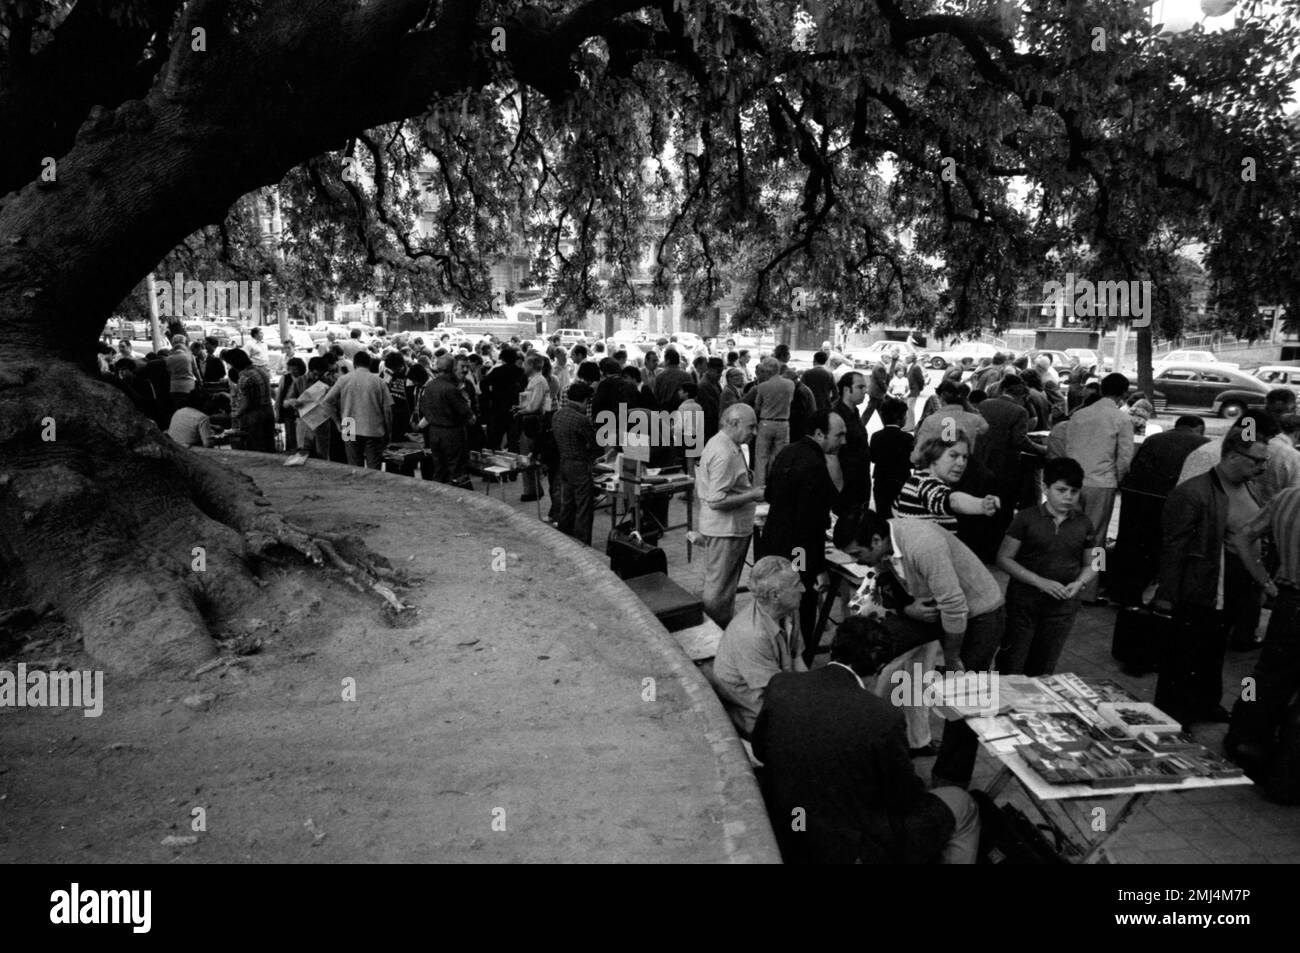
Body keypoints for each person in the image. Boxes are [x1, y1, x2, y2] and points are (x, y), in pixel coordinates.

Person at [752, 615, 981, 864]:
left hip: (790, 824)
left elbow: (761, 749)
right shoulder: (883, 717)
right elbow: (903, 798)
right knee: (962, 803)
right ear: (880, 666)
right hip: (847, 846)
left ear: (833, 649)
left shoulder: (782, 684)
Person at [846, 509, 1005, 788]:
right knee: (870, 644)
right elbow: (884, 576)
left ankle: (949, 780)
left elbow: (955, 608)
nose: (856, 562)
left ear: (874, 540)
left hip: (978, 612)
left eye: (857, 554)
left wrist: (952, 657)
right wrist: (907, 609)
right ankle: (861, 746)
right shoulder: (885, 539)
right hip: (931, 607)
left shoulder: (922, 544)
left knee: (965, 697)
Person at [1153, 426, 1272, 728]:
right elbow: (1173, 548)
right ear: (1233, 456)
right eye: (1257, 461)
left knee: (1214, 650)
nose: (1262, 467)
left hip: (1235, 586)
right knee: (1185, 654)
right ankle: (1173, 717)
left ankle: (1206, 702)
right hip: (1202, 588)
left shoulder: (1248, 486)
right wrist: (1166, 596)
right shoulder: (1193, 493)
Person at [996, 458, 1099, 676]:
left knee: (1044, 669)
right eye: (1061, 490)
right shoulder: (1025, 519)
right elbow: (1004, 558)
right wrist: (1039, 581)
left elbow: (1096, 562)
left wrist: (1080, 583)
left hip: (1062, 610)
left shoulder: (1085, 523)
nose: (1068, 497)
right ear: (1045, 488)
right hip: (1023, 606)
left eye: (1074, 491)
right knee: (1011, 664)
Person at [761, 410, 847, 664]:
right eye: (839, 435)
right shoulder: (815, 464)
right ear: (819, 434)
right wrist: (817, 568)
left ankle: (777, 655)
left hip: (774, 541)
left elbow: (770, 494)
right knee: (801, 599)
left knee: (776, 602)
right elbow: (813, 520)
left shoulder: (789, 451)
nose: (843, 441)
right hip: (799, 549)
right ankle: (800, 659)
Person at [1226, 484, 1300, 773]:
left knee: (1263, 676)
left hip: (1286, 602)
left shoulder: (1288, 496)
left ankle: (1240, 740)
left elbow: (1242, 537)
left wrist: (1264, 581)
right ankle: (1285, 771)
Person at [1047, 372, 1134, 601]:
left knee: (1067, 531)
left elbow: (1069, 447)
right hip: (1102, 483)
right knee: (1097, 538)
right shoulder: (1121, 419)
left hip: (1073, 481)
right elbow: (1124, 457)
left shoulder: (1079, 415)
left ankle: (1059, 579)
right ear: (1124, 393)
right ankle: (1090, 589)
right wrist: (1119, 480)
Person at [1110, 415, 1209, 606]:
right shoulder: (1203, 443)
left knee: (1129, 542)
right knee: (1155, 546)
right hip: (1166, 499)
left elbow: (1133, 464)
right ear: (1198, 428)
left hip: (1135, 495)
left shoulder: (1153, 438)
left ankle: (1119, 591)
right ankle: (1142, 594)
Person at [711, 556, 807, 738]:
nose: (803, 588)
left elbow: (797, 659)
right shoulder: (752, 635)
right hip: (757, 714)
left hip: (780, 691)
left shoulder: (790, 610)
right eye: (797, 585)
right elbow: (774, 694)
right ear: (775, 595)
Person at [695, 404, 766, 627]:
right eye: (751, 427)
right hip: (725, 530)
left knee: (723, 587)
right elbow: (716, 501)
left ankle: (719, 627)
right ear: (733, 423)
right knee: (719, 589)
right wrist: (753, 494)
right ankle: (714, 634)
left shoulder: (727, 444)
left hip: (729, 528)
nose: (754, 433)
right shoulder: (724, 452)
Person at [892, 429, 1000, 534]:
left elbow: (895, 510)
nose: (961, 463)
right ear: (934, 456)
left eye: (965, 457)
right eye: (953, 455)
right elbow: (953, 501)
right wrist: (981, 505)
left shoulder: (917, 481)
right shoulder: (927, 484)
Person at [320, 350, 392, 469]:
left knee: (354, 467)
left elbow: (326, 402)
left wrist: (338, 422)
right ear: (369, 363)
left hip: (348, 425)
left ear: (354, 364)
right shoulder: (379, 381)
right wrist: (388, 431)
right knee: (373, 469)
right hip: (373, 427)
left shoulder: (344, 379)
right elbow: (387, 410)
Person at [552, 381, 600, 545]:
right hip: (580, 465)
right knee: (583, 507)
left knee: (568, 503)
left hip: (563, 462)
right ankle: (582, 542)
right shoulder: (581, 419)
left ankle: (564, 537)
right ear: (585, 400)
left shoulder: (558, 415)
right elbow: (594, 444)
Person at [418, 354, 474, 484]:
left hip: (434, 432)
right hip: (451, 433)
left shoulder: (430, 386)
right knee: (455, 470)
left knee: (439, 468)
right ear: (453, 368)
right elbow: (467, 415)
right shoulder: (450, 389)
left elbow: (424, 409)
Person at [832, 371, 871, 518]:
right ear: (847, 390)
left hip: (860, 481)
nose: (865, 391)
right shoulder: (836, 415)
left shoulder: (855, 412)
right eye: (860, 387)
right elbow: (831, 453)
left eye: (865, 387)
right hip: (847, 483)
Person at [223, 347, 276, 452]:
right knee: (269, 446)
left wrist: (236, 414)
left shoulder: (244, 378)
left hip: (255, 417)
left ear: (235, 363)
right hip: (269, 412)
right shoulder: (261, 371)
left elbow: (246, 403)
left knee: (257, 448)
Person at [752, 356, 795, 487]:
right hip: (783, 423)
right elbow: (790, 401)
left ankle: (760, 486)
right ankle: (778, 485)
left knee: (761, 457)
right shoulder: (790, 384)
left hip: (766, 422)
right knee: (780, 457)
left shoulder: (762, 386)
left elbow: (757, 406)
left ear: (766, 370)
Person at [870, 397, 914, 521]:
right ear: (900, 419)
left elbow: (873, 458)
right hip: (901, 480)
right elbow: (912, 462)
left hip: (881, 480)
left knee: (882, 515)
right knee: (900, 515)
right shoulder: (907, 438)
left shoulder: (876, 436)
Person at [275, 356, 307, 452]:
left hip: (302, 412)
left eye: (295, 369)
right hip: (288, 411)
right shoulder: (285, 378)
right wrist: (277, 412)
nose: (293, 372)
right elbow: (279, 396)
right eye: (290, 369)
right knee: (290, 435)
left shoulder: (304, 379)